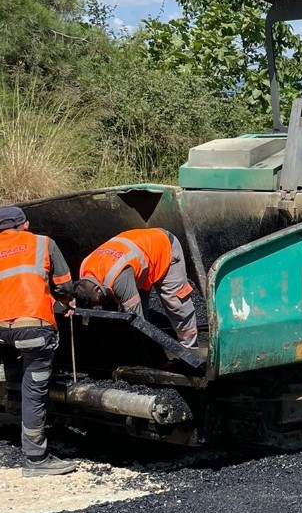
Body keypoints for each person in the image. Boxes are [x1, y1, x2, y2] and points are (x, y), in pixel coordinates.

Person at [0, 204, 76, 476]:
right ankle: (35, 459)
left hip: (2, 330)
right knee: (34, 390)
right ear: (25, 225)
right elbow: (64, 284)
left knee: (14, 369)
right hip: (34, 328)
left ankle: (11, 397)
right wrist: (65, 302)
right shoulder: (43, 243)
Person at [74, 228, 198, 348]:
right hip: (137, 253)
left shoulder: (117, 278)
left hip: (164, 247)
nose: (98, 303)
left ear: (96, 289)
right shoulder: (85, 269)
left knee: (176, 303)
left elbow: (137, 319)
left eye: (97, 301)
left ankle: (190, 346)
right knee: (132, 307)